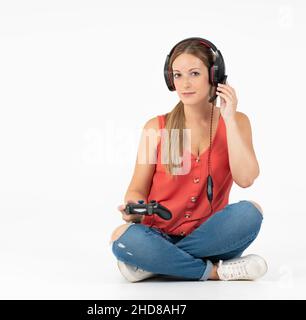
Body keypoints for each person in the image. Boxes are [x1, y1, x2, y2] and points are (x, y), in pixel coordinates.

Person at [110, 38, 267, 282]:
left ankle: (156, 263)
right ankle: (215, 271)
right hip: (158, 234)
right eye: (178, 75)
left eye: (194, 73)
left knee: (250, 212)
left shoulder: (237, 122)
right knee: (122, 236)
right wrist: (134, 210)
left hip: (209, 237)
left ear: (215, 76)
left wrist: (229, 119)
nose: (185, 83)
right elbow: (136, 189)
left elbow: (246, 179)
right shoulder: (156, 128)